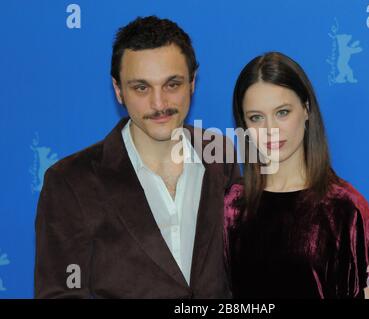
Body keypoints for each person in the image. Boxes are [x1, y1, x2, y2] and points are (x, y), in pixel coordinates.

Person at [34, 16, 240, 298]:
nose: (159, 104)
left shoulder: (219, 155)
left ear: (193, 82)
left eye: (172, 84)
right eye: (141, 88)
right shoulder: (70, 181)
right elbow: (62, 293)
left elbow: (238, 272)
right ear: (118, 90)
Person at [224, 52, 369, 299]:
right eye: (256, 117)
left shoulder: (348, 208)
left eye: (282, 112)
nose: (270, 130)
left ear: (306, 110)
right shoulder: (231, 205)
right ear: (244, 125)